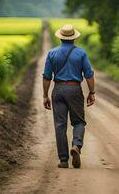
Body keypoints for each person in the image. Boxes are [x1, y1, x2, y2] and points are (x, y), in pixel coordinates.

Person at [42, 24, 95, 169]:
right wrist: (92, 92)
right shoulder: (81, 53)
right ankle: (76, 145)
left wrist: (45, 96)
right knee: (78, 122)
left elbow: (47, 77)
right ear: (74, 39)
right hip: (74, 89)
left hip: (58, 90)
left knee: (60, 125)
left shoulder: (52, 53)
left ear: (60, 37)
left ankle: (64, 160)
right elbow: (89, 75)